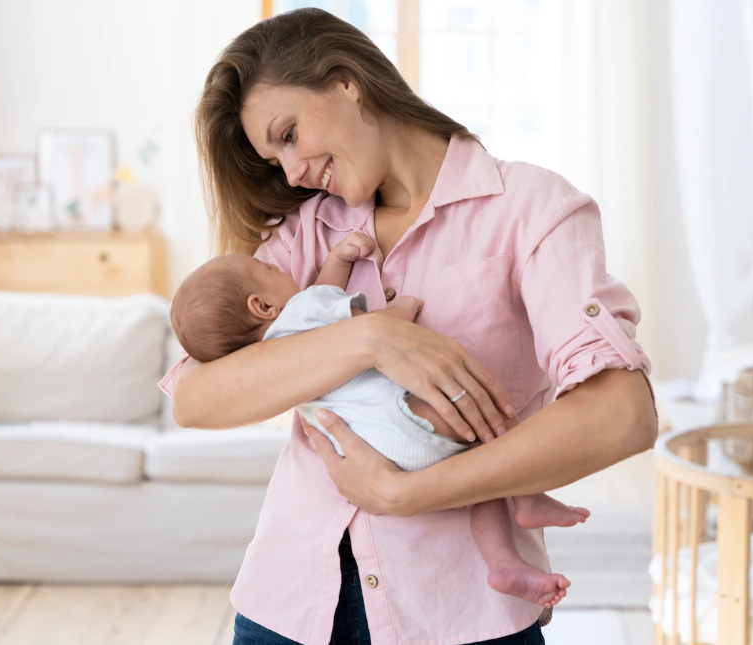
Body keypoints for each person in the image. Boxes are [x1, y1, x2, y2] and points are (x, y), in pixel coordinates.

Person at [160, 8, 658, 644]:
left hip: (463, 612)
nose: (289, 173)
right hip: (288, 606)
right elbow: (197, 400)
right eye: (273, 158)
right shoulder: (305, 234)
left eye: (288, 134)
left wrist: (408, 494)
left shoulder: (531, 210)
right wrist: (370, 337)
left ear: (346, 82)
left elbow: (623, 414)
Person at [170, 238, 589, 609]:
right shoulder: (301, 313)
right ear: (261, 305)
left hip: (373, 449)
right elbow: (368, 324)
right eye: (269, 271)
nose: (277, 267)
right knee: (490, 413)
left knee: (483, 486)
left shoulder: (270, 357)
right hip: (405, 416)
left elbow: (322, 291)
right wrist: (404, 308)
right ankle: (527, 500)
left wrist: (336, 256)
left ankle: (505, 566)